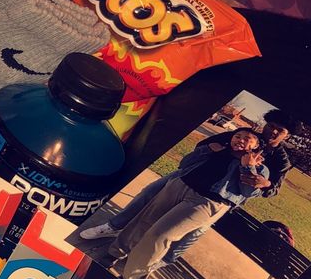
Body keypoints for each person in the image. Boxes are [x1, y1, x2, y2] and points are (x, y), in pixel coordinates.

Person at [81, 109, 299, 257]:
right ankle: (113, 226)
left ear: (287, 135)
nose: (273, 131)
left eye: (280, 130)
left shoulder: (280, 160)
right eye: (271, 125)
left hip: (220, 196)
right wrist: (219, 149)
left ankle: (158, 259)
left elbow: (273, 189)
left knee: (191, 232)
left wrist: (265, 183)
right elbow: (204, 144)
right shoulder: (243, 134)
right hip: (190, 175)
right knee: (150, 192)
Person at [108, 127, 268, 279]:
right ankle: (115, 253)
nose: (240, 139)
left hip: (206, 203)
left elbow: (247, 192)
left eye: (247, 138)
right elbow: (184, 163)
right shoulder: (218, 149)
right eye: (237, 136)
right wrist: (207, 149)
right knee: (144, 221)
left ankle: (131, 278)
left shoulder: (261, 168)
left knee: (160, 235)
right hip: (180, 185)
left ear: (256, 145)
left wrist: (248, 167)